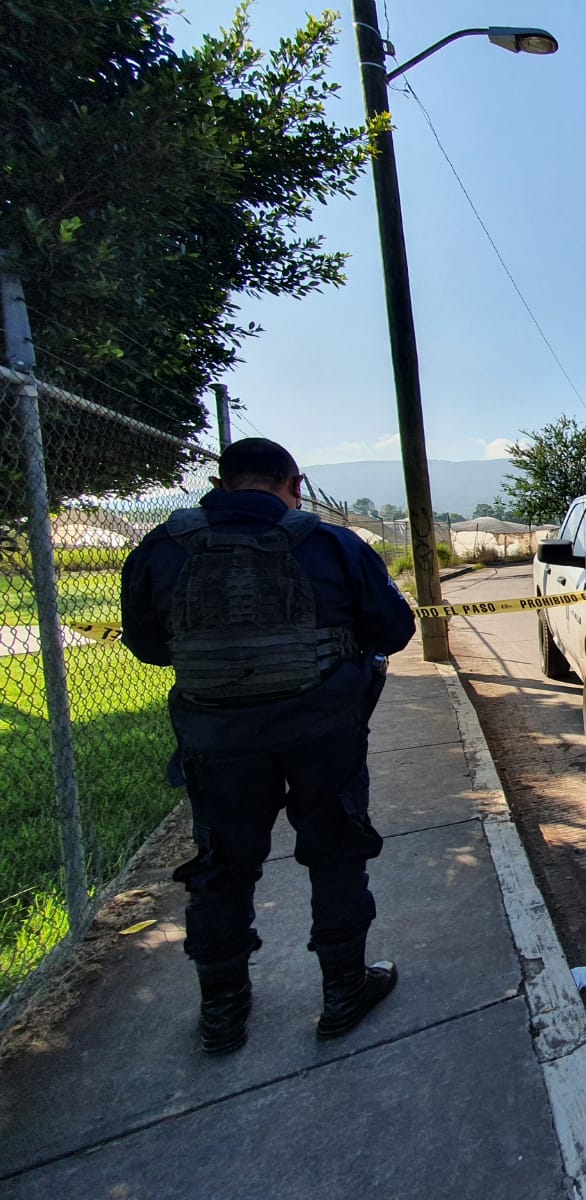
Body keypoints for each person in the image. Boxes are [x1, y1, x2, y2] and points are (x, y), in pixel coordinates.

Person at [120, 438, 416, 1053]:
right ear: (295, 484)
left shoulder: (163, 548)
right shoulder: (332, 543)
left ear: (222, 483)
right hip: (323, 734)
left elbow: (148, 646)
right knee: (336, 853)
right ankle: (342, 993)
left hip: (217, 739)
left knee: (222, 868)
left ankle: (222, 1013)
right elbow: (394, 628)